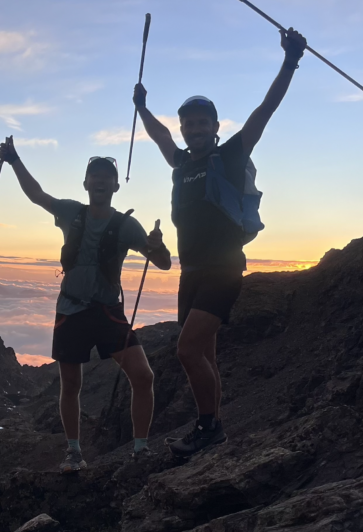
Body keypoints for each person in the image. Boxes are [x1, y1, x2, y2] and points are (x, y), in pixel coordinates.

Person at [132, 27, 308, 456]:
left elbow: (265, 111)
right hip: (190, 274)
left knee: (187, 351)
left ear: (215, 126)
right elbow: (159, 136)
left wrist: (289, 62)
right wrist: (141, 108)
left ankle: (209, 428)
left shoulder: (228, 156)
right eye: (188, 123)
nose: (194, 128)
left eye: (202, 122)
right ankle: (213, 430)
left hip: (222, 271)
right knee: (204, 356)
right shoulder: (178, 162)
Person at [0, 137, 172, 472]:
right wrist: (14, 159)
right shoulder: (71, 212)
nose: (101, 181)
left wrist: (157, 246)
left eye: (107, 177)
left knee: (143, 376)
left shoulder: (126, 225)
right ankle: (75, 452)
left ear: (116, 186)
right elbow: (37, 195)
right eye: (96, 175)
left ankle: (139, 449)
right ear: (86, 183)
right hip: (73, 309)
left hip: (106, 311)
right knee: (72, 385)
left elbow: (162, 263)